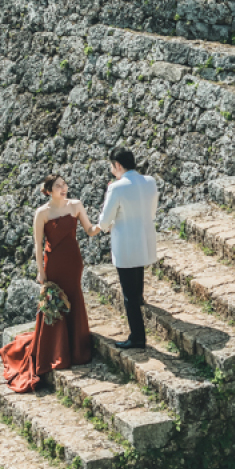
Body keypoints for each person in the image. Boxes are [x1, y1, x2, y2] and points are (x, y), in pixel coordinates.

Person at [0, 173, 99, 392]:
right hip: (53, 263)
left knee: (74, 299)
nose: (64, 188)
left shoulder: (75, 205)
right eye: (58, 186)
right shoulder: (42, 213)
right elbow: (37, 244)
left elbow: (89, 230)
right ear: (48, 191)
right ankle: (54, 351)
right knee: (53, 306)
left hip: (74, 262)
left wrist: (104, 224)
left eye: (64, 184)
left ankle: (75, 349)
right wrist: (41, 272)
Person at [96, 147, 158, 350]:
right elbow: (152, 211)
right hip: (145, 234)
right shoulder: (150, 181)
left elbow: (105, 220)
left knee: (128, 293)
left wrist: (105, 226)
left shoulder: (116, 187)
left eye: (112, 166)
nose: (112, 170)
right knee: (138, 272)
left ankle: (137, 336)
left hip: (125, 240)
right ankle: (140, 299)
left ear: (118, 165)